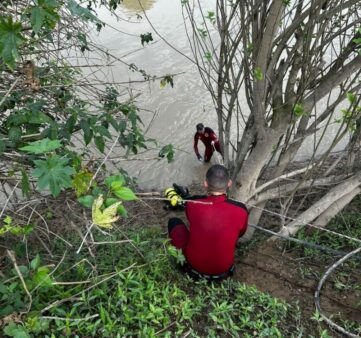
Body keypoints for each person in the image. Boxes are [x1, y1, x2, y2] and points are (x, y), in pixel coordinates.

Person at [167, 164, 248, 281]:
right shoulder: (241, 209)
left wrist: (185, 196)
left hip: (193, 268)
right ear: (229, 183)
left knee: (174, 222)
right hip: (223, 271)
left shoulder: (192, 204)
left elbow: (193, 207)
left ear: (205, 184)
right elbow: (241, 233)